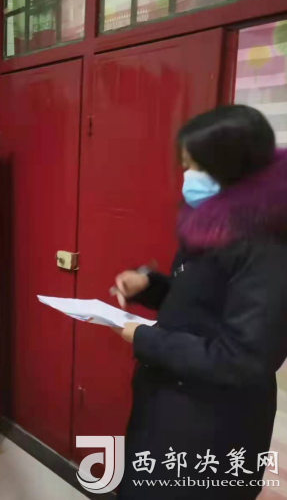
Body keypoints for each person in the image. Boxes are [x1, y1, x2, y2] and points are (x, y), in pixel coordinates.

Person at [113, 105, 287, 500]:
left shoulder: (269, 245)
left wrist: (146, 339)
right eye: (186, 165)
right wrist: (149, 285)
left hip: (213, 423)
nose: (188, 177)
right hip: (171, 404)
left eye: (197, 167)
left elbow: (244, 359)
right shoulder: (213, 222)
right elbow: (202, 299)